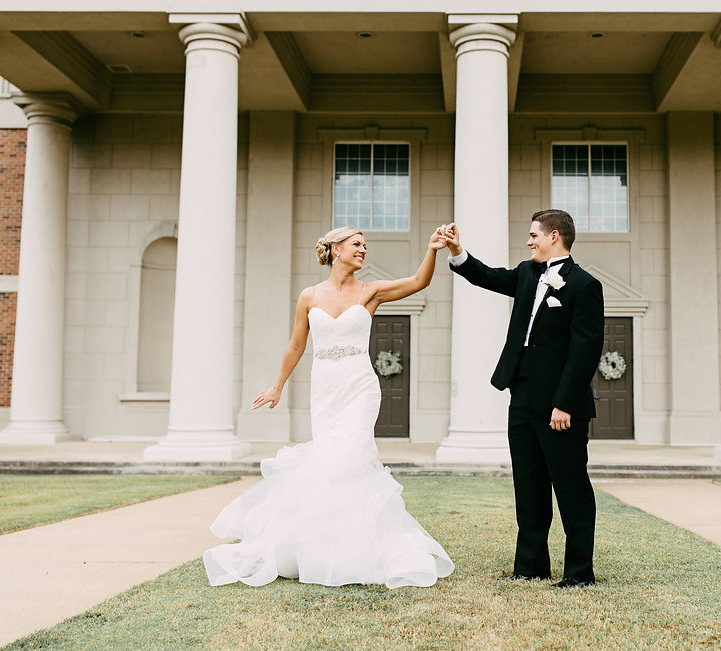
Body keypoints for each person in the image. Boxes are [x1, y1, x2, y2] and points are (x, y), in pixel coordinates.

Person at [203, 225, 455, 589]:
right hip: (325, 390)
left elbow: (419, 281)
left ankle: (360, 552)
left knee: (351, 458)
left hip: (359, 388)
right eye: (357, 245)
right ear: (335, 250)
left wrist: (433, 249)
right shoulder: (309, 296)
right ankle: (324, 548)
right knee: (327, 462)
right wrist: (277, 386)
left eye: (365, 246)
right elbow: (295, 345)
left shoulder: (371, 292)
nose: (363, 250)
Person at [442, 210, 604, 588]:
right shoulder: (528, 273)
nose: (529, 241)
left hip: (560, 405)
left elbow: (585, 350)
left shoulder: (584, 285)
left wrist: (564, 403)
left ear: (555, 236)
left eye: (534, 235)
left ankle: (579, 572)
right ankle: (530, 566)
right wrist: (457, 250)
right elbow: (489, 276)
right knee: (528, 484)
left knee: (570, 486)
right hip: (522, 395)